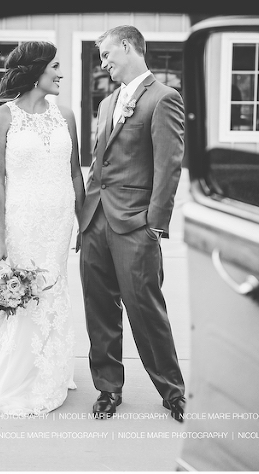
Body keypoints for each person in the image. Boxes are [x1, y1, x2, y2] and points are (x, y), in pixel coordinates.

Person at [79, 25, 186, 422]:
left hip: (135, 225)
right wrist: (84, 218)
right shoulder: (107, 103)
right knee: (98, 309)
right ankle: (108, 389)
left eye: (107, 55)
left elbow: (169, 166)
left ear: (128, 46)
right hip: (95, 223)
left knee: (145, 309)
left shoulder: (164, 98)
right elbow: (99, 162)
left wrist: (154, 226)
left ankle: (173, 391)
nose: (104, 64)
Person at [0, 41, 85, 416]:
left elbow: (75, 173)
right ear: (35, 70)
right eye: (55, 66)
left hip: (59, 224)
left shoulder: (67, 115)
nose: (61, 74)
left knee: (54, 290)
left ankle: (51, 368)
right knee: (24, 295)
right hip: (21, 221)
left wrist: (83, 223)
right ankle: (18, 374)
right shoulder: (0, 119)